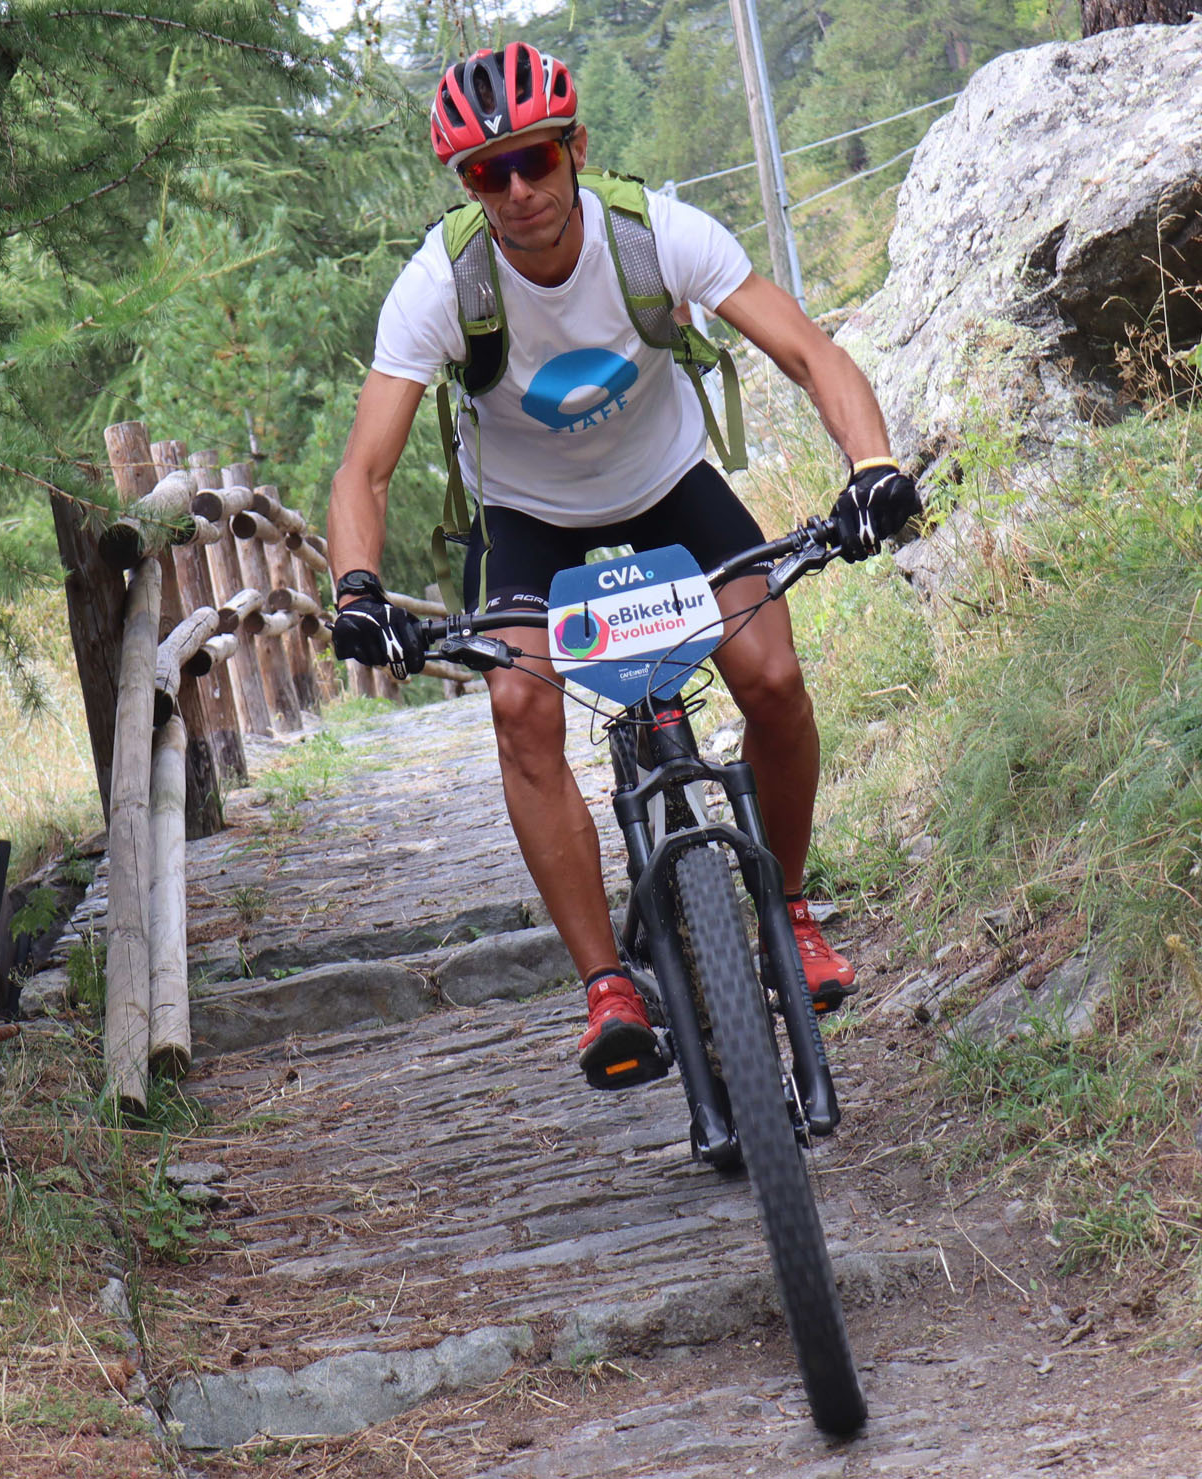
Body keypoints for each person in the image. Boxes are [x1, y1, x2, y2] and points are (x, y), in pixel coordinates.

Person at [326, 43, 919, 1088]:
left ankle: (789, 911)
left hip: (667, 482)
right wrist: (358, 590)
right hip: (527, 515)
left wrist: (872, 467)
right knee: (520, 708)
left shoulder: (656, 235)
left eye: (535, 159)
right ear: (466, 185)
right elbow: (365, 468)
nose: (517, 189)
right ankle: (607, 984)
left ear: (576, 149)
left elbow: (810, 351)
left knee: (773, 677)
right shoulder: (439, 284)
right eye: (487, 171)